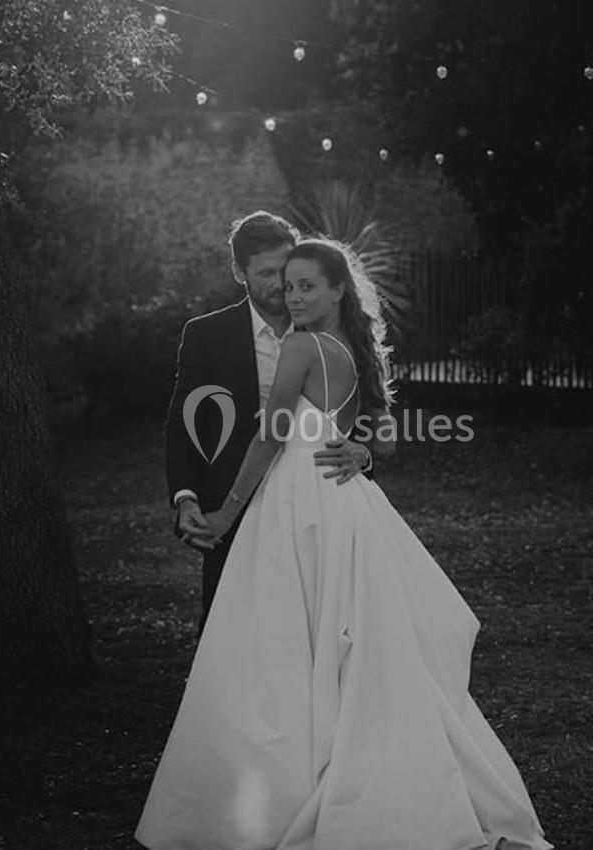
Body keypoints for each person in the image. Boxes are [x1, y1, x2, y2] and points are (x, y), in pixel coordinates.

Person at [137, 238, 553, 849]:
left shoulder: (303, 345)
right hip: (341, 502)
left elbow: (270, 439)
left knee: (278, 641)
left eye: (307, 285)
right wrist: (355, 445)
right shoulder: (355, 346)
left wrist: (227, 512)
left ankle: (290, 776)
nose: (292, 294)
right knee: (335, 637)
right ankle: (328, 758)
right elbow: (383, 440)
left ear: (336, 290)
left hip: (295, 502)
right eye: (289, 284)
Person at [164, 212, 374, 636]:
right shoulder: (206, 335)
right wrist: (186, 500)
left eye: (287, 268)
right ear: (239, 273)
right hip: (233, 505)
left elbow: (372, 411)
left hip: (320, 504)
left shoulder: (332, 329)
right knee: (231, 633)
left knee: (326, 627)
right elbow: (184, 424)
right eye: (266, 272)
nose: (282, 283)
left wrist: (363, 449)